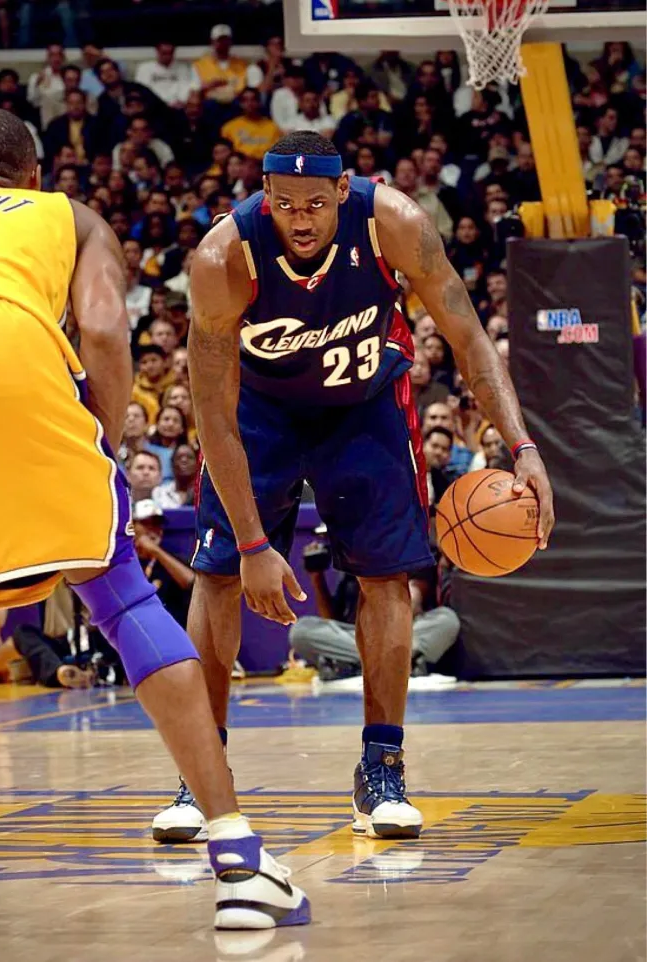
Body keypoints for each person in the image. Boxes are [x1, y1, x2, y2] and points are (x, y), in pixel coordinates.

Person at [0, 107, 308, 929]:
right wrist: (99, 423)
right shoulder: (70, 215)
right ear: (32, 177)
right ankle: (238, 861)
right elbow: (98, 323)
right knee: (121, 596)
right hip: (7, 364)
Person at [152, 130, 553, 845]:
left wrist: (520, 445)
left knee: (387, 578)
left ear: (342, 191)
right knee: (215, 578)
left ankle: (382, 766)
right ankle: (201, 775)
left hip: (364, 404)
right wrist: (250, 543)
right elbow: (211, 410)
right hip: (258, 413)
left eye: (313, 203)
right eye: (283, 204)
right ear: (262, 198)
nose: (299, 219)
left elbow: (465, 338)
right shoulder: (223, 255)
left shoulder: (393, 223)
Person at [289, 534, 459, 681]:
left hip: (403, 630)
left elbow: (412, 602)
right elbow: (331, 620)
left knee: (447, 620)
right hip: (358, 636)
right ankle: (400, 660)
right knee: (301, 630)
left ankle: (359, 663)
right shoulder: (349, 558)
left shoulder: (412, 547)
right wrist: (317, 578)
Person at [133, 499, 195, 627]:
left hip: (169, 628)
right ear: (132, 526)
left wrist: (155, 551)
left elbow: (192, 583)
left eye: (156, 524)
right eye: (145, 523)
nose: (152, 530)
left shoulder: (171, 559)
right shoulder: (125, 561)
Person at [220, 88, 283, 161]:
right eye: (245, 100)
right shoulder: (229, 127)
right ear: (240, 104)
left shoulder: (274, 127)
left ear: (259, 102)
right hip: (239, 166)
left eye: (253, 99)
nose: (249, 103)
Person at [135, 41, 196, 110]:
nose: (167, 56)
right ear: (157, 52)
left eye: (170, 53)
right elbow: (143, 90)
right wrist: (164, 104)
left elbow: (185, 88)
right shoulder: (145, 68)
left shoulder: (182, 68)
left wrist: (181, 101)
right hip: (154, 107)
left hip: (177, 107)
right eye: (164, 53)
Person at [27, 43, 67, 130]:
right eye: (52, 55)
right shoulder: (37, 77)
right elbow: (33, 102)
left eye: (59, 55)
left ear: (64, 58)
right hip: (47, 118)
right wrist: (37, 85)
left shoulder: (70, 76)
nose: (56, 59)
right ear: (47, 58)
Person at [152, 443, 199, 508]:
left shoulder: (204, 494)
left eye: (190, 457)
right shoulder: (159, 493)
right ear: (172, 464)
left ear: (197, 464)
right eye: (179, 457)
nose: (184, 460)